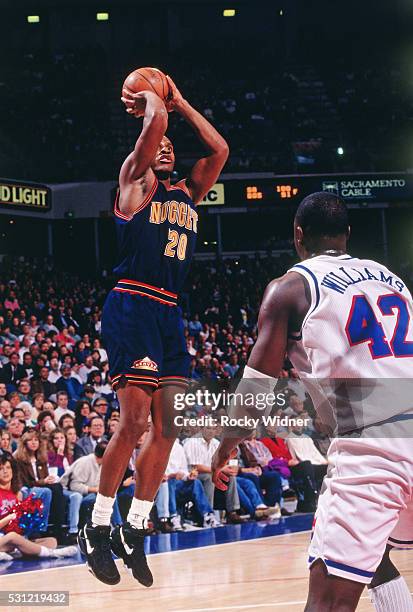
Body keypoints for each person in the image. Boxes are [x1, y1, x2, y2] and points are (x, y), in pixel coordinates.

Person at [211, 192, 413, 612]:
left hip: (375, 443)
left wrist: (224, 447)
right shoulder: (389, 277)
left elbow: (254, 392)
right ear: (347, 235)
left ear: (298, 235)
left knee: (327, 600)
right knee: (372, 559)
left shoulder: (291, 287)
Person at [79, 75, 228, 587]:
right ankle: (97, 526)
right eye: (155, 143)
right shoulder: (134, 181)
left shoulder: (189, 191)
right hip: (132, 302)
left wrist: (181, 101)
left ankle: (135, 529)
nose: (164, 147)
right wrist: (151, 99)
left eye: (169, 146)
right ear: (143, 146)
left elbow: (220, 147)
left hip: (169, 312)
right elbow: (154, 126)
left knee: (167, 427)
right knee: (135, 420)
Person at [0, 455, 77, 561]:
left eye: (8, 468)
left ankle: (16, 551)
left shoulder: (17, 494)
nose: (5, 471)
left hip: (15, 540)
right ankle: (52, 553)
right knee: (12, 536)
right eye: (1, 469)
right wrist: (9, 518)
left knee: (52, 541)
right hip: (4, 538)